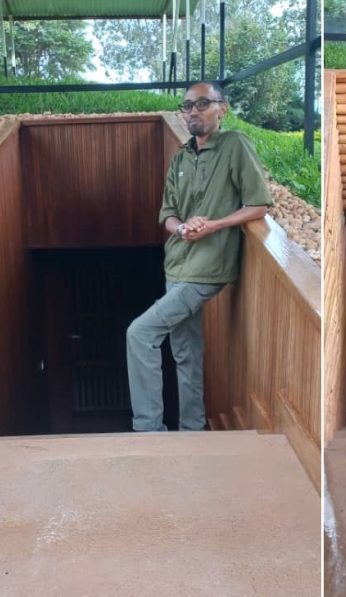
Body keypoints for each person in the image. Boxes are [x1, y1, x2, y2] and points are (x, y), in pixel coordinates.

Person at [125, 81, 273, 432]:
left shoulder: (235, 145)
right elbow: (168, 215)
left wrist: (214, 225)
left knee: (140, 333)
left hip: (208, 268)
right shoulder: (180, 157)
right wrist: (182, 229)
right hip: (177, 262)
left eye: (203, 103)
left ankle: (148, 430)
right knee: (185, 352)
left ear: (222, 109)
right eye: (188, 105)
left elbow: (260, 205)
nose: (193, 111)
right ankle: (192, 431)